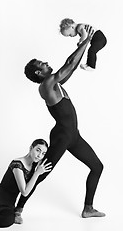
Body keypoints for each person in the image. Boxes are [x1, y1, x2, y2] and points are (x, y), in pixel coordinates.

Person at [15, 27, 105, 224]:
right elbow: (70, 63)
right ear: (39, 72)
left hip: (74, 136)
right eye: (43, 64)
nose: (47, 63)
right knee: (42, 173)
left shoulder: (56, 84)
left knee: (97, 167)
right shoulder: (46, 86)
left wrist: (85, 44)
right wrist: (85, 41)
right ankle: (18, 209)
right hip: (62, 137)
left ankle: (88, 208)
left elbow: (71, 66)